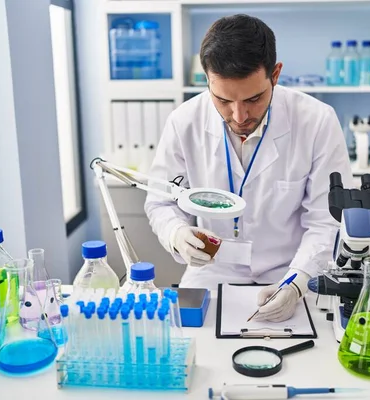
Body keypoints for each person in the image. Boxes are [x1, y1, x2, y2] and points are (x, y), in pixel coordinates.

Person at [144, 14, 353, 322]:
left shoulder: (317, 121)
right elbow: (160, 201)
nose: (239, 115)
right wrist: (175, 233)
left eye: (254, 98)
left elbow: (326, 221)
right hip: (210, 272)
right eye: (223, 99)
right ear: (206, 79)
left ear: (276, 74)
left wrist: (297, 282)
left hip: (290, 271)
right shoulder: (183, 122)